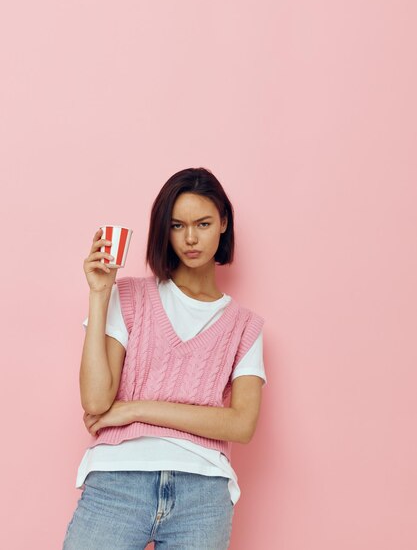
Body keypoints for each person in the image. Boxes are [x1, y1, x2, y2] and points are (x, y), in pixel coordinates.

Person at [62, 166, 267, 550]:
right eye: (176, 226)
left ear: (223, 223)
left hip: (202, 494)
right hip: (117, 481)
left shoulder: (245, 326)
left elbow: (241, 424)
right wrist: (99, 294)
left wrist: (135, 410)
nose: (190, 238)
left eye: (203, 223)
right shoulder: (130, 297)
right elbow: (95, 401)